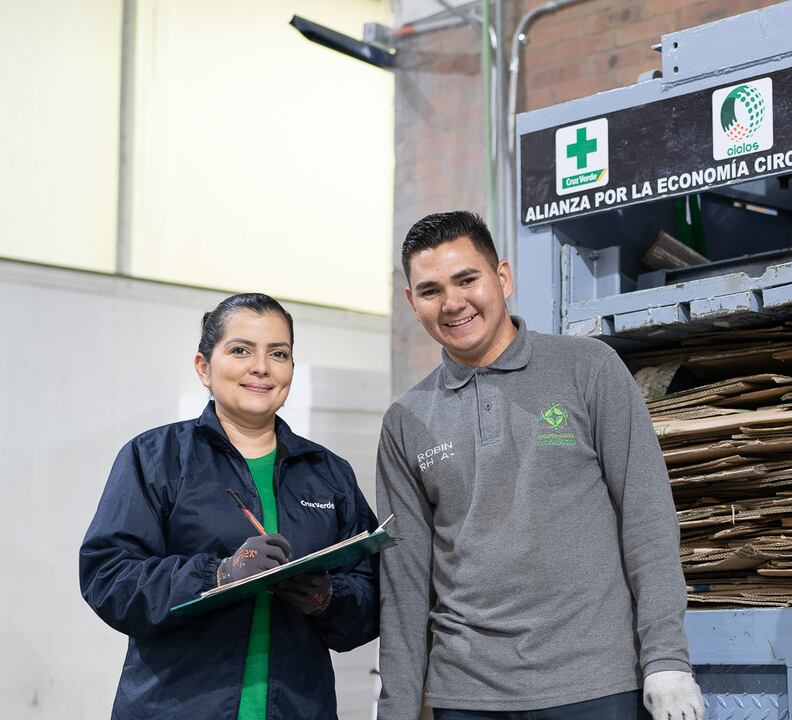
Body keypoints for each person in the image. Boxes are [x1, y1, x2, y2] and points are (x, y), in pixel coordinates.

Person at [377, 211, 704, 720]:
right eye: (430, 290)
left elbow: (647, 520)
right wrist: (396, 708)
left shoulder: (589, 369)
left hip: (593, 685)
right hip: (466, 695)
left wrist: (665, 659)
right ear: (412, 303)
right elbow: (405, 579)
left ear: (502, 277)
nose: (453, 303)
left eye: (468, 280)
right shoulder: (407, 419)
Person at [80, 292, 379, 719]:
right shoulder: (155, 458)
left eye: (278, 353)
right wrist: (219, 574)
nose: (261, 367)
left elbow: (372, 597)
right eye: (241, 350)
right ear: (204, 367)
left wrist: (327, 597)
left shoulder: (328, 473)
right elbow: (108, 577)